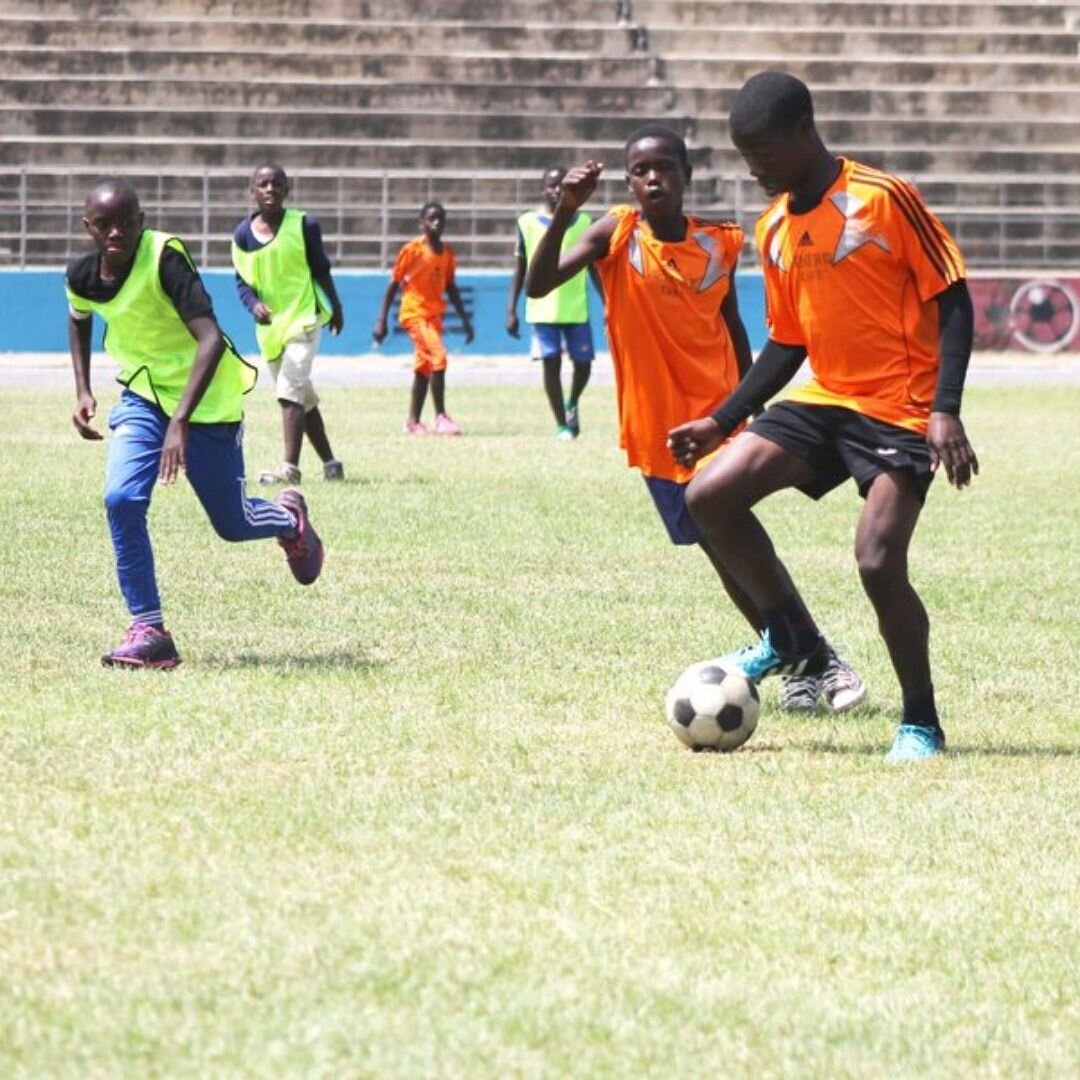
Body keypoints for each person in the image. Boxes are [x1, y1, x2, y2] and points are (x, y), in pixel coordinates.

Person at [669, 72, 978, 762]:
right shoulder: (774, 227)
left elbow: (954, 300)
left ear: (806, 131)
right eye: (745, 156)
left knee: (876, 561)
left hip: (899, 408)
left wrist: (944, 411)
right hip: (826, 397)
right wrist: (724, 420)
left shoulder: (883, 198)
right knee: (708, 497)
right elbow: (787, 339)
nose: (755, 168)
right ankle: (790, 639)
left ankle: (921, 721)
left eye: (765, 152)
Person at [526, 123, 864, 713]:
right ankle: (794, 656)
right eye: (639, 170)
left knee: (729, 531)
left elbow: (732, 324)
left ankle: (819, 655)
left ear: (687, 175)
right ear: (628, 181)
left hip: (714, 419)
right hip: (655, 427)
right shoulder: (615, 233)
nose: (652, 177)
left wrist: (743, 407)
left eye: (664, 167)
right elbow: (538, 284)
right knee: (719, 550)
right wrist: (565, 213)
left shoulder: (721, 242)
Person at [67, 178, 325, 669]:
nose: (116, 233)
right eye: (104, 225)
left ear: (142, 222)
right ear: (88, 228)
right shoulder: (81, 275)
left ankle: (290, 520)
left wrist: (179, 421)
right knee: (121, 499)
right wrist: (82, 388)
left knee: (232, 522)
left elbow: (210, 338)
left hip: (205, 402)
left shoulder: (164, 258)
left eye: (126, 222)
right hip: (144, 395)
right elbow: (79, 318)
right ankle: (149, 629)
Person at [231, 163, 345, 485]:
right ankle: (331, 463)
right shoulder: (242, 236)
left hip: (304, 320)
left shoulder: (305, 225)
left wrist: (336, 308)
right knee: (302, 397)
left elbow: (321, 269)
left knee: (289, 390)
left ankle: (289, 469)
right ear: (252, 191)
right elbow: (242, 281)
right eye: (263, 184)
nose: (270, 189)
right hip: (271, 330)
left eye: (276, 183)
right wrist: (253, 304)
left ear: (287, 189)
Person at [507, 167, 600, 439]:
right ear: (542, 189)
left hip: (576, 307)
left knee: (584, 365)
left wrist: (607, 304)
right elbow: (520, 268)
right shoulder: (527, 222)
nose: (556, 190)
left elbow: (593, 268)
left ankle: (572, 402)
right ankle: (561, 425)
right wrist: (510, 309)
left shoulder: (585, 221)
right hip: (542, 308)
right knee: (552, 364)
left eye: (561, 185)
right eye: (551, 185)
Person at [373, 201, 474, 435]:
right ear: (422, 223)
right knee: (438, 356)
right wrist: (381, 319)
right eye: (431, 218)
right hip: (414, 314)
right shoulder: (413, 250)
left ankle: (413, 422)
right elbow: (394, 284)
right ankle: (441, 417)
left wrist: (465, 321)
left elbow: (451, 287)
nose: (436, 223)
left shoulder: (448, 253)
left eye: (440, 219)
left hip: (434, 316)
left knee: (424, 367)